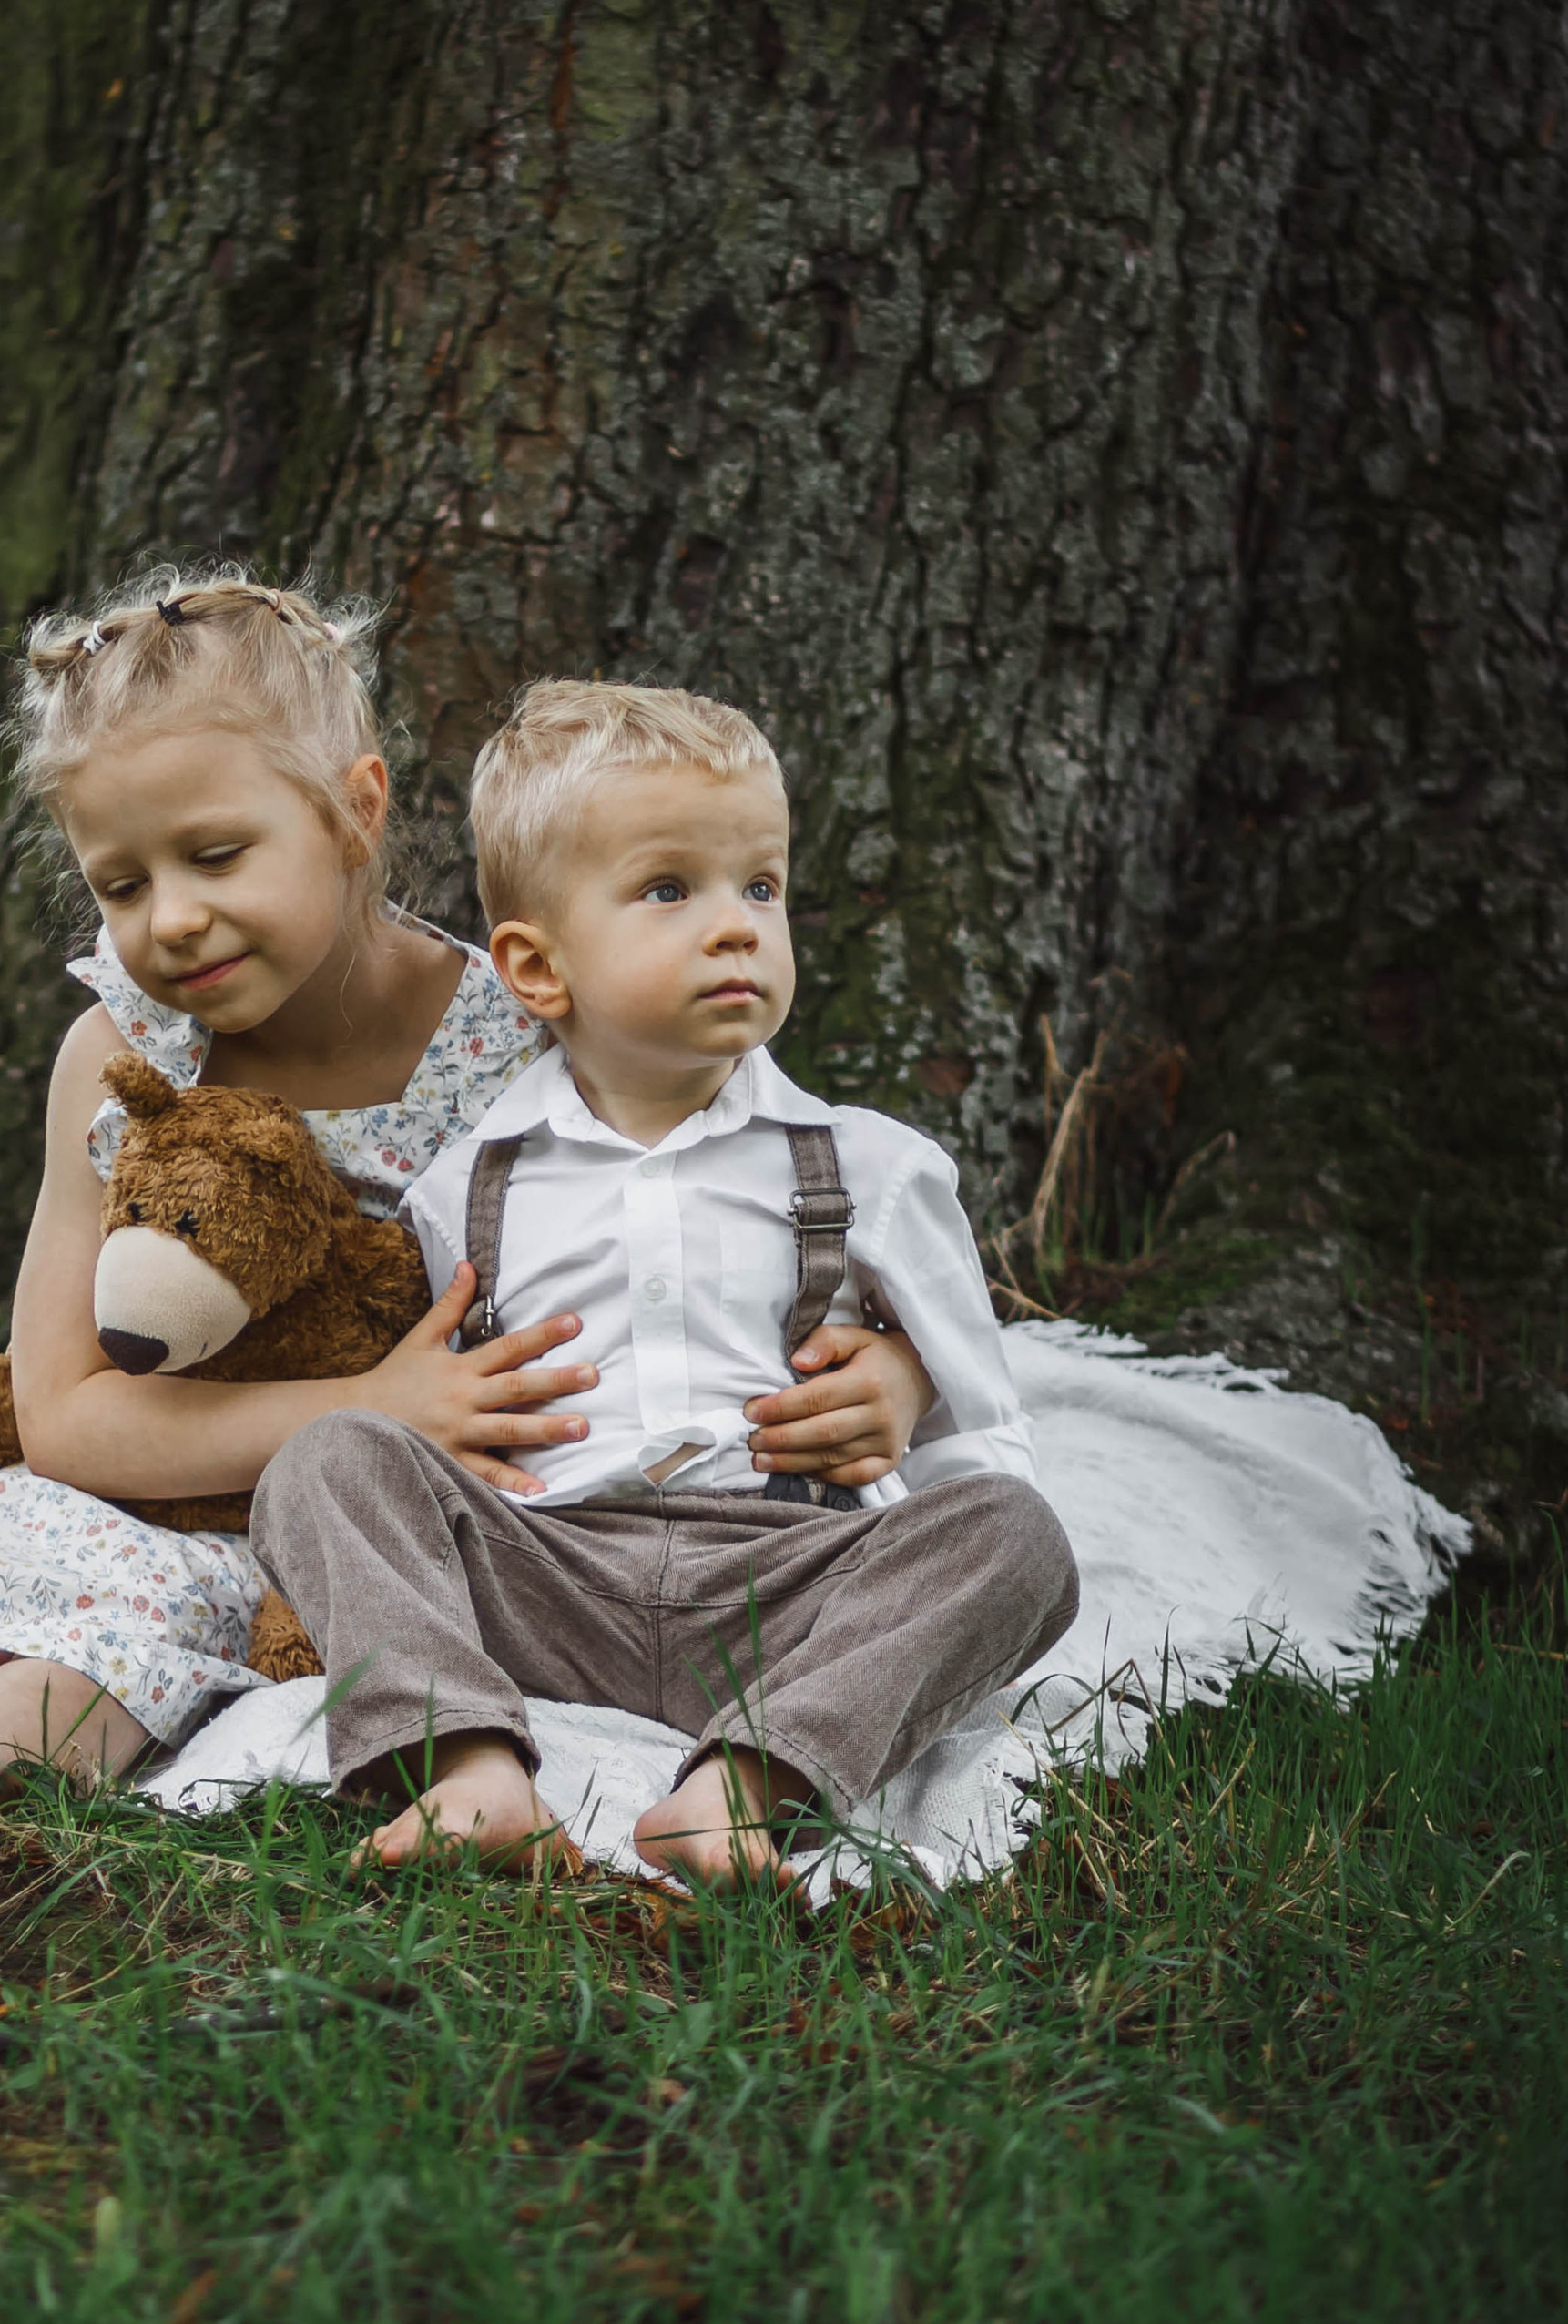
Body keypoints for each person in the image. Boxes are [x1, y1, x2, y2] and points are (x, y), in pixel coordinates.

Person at [0, 579, 939, 1880]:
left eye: (216, 857)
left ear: (355, 813)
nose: (169, 921)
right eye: (122, 881)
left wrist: (894, 1368)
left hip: (374, 1536)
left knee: (130, 1632)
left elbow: (760, 1178)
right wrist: (367, 1403)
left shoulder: (524, 1024)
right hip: (144, 1476)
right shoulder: (121, 1056)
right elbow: (66, 1417)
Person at [251, 680, 1080, 1889]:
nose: (738, 925)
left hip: (785, 1588)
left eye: (761, 886)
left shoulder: (876, 1170)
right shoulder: (465, 1185)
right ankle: (468, 1764)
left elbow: (985, 1452)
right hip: (549, 1573)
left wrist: (905, 1396)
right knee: (325, 1459)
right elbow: (422, 1444)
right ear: (538, 969)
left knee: (1019, 1541)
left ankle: (745, 1786)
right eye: (668, 889)